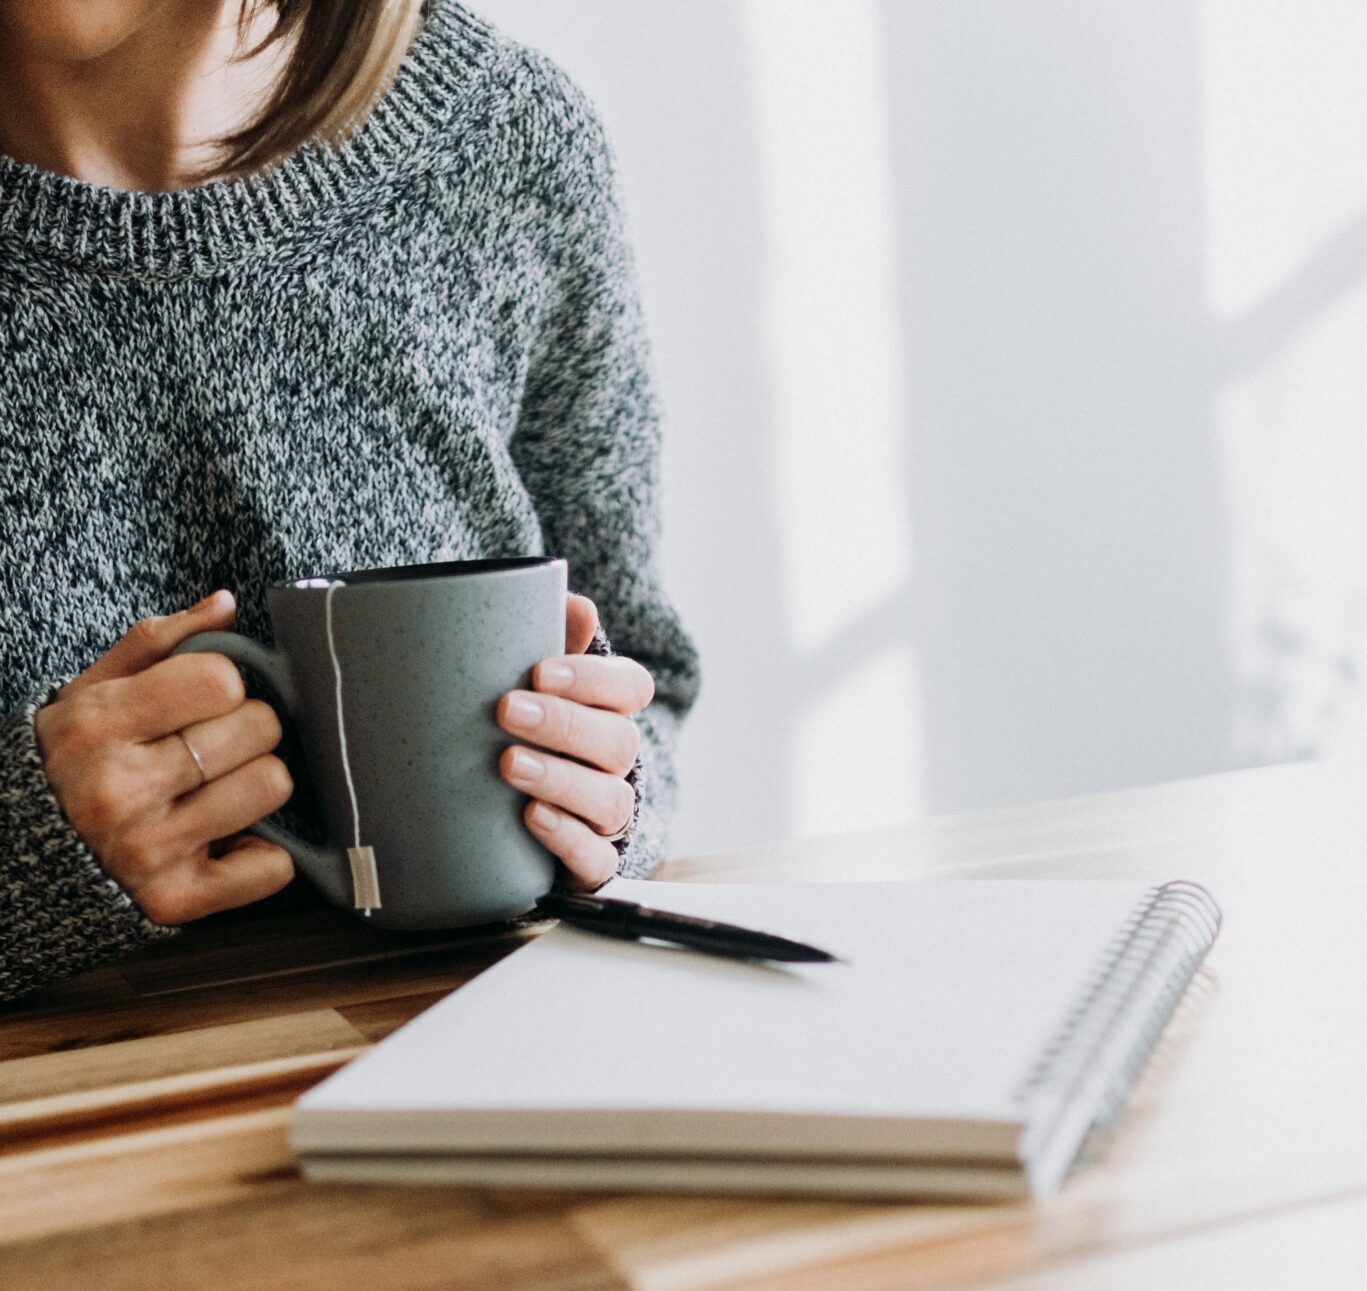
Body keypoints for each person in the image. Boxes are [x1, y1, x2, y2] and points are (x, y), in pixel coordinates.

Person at [0, 0, 701, 1003]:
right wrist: (25, 863)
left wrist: (604, 805)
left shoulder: (506, 146)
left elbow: (645, 685)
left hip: (473, 1080)